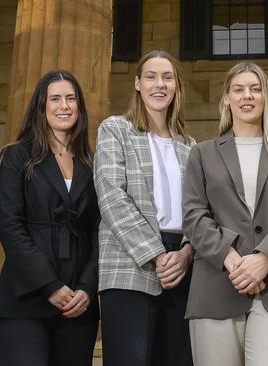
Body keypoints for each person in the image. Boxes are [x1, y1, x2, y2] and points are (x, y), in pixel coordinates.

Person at [182, 62, 268, 366]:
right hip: (215, 287)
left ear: (266, 97)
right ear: (226, 98)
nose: (247, 96)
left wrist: (264, 259)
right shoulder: (202, 154)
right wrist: (232, 261)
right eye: (238, 89)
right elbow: (194, 215)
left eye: (255, 89)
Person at [94, 50, 195, 366]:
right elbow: (112, 197)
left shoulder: (189, 146)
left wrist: (187, 252)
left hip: (181, 266)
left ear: (176, 86)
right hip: (130, 264)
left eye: (168, 77)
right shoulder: (115, 129)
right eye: (151, 76)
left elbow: (199, 209)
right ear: (138, 83)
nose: (159, 84)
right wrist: (156, 254)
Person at [0, 70, 99, 366]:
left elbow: (101, 232)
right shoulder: (16, 157)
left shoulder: (92, 164)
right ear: (41, 106)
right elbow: (11, 227)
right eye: (55, 98)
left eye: (71, 98)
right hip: (25, 301)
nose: (64, 106)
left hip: (79, 306)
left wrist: (88, 288)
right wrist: (49, 285)